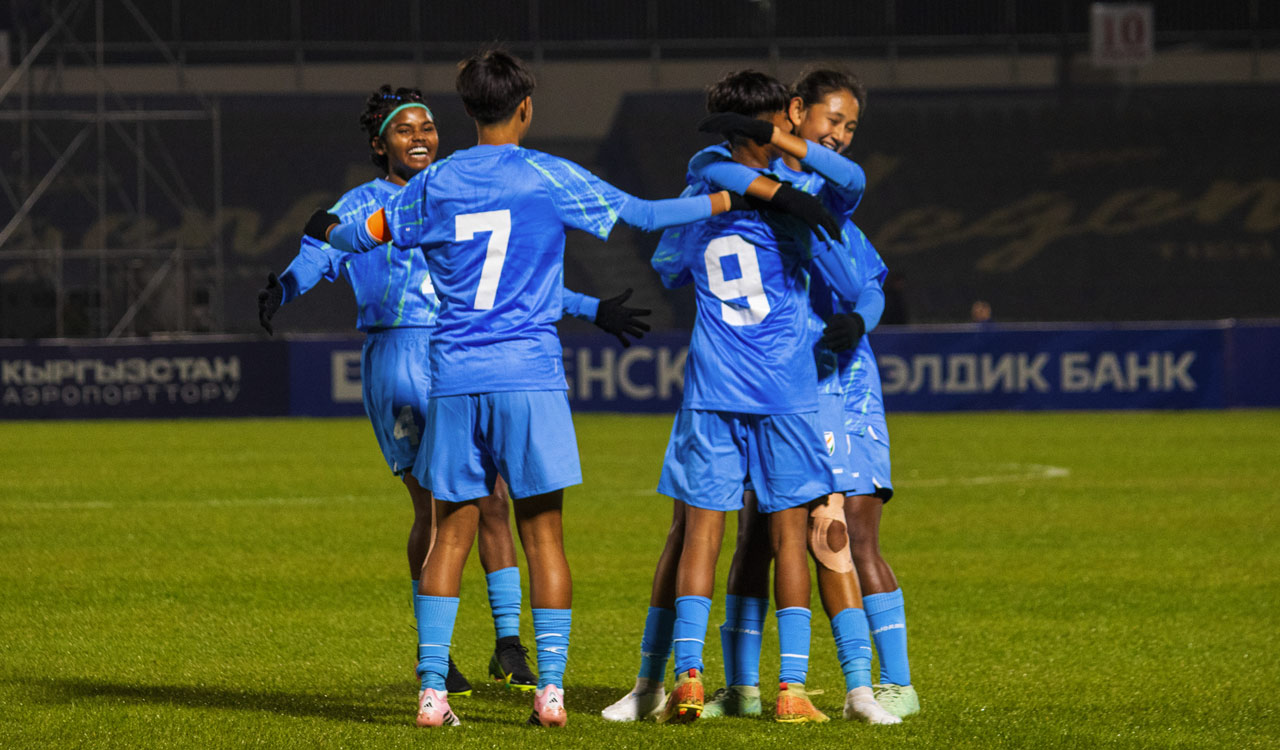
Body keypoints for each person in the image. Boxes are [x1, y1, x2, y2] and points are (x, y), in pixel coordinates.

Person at [313, 49, 821, 729]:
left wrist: (326, 229)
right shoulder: (548, 175)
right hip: (530, 377)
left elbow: (361, 235)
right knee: (543, 535)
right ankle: (550, 691)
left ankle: (432, 692)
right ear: (525, 108)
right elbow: (641, 214)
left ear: (466, 111)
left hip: (459, 376)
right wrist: (730, 197)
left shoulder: (432, 185)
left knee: (450, 534)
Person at [256, 85, 648, 702]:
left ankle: (508, 646)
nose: (419, 137)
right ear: (379, 143)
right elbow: (319, 255)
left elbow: (511, 285)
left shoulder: (454, 189)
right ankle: (431, 655)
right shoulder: (362, 202)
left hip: (461, 353)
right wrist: (281, 288)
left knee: (493, 498)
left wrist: (592, 308)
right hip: (399, 358)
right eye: (404, 129)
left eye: (428, 127)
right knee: (435, 510)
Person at [643, 69, 893, 726]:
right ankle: (794, 689)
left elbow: (664, 261)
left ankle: (687, 681)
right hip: (787, 389)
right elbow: (851, 268)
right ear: (783, 119)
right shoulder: (800, 205)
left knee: (702, 534)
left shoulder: (704, 191)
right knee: (798, 538)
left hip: (712, 386)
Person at [703, 67, 919, 721]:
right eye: (834, 120)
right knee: (754, 534)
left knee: (845, 533)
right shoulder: (764, 189)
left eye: (852, 126)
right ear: (797, 112)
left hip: (841, 384)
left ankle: (893, 683)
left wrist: (860, 320)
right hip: (777, 384)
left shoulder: (827, 194)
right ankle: (741, 687)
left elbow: (872, 283)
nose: (844, 136)